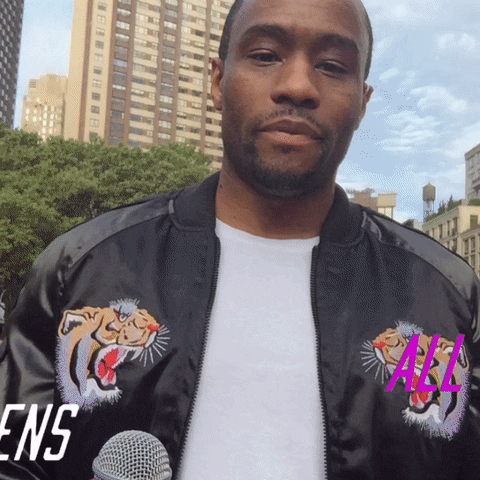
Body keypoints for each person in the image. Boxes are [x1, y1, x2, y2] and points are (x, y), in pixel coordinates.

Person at [0, 0, 479, 478]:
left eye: (333, 66)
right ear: (217, 81)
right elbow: (17, 460)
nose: (297, 86)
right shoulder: (82, 270)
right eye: (265, 55)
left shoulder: (444, 299)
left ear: (363, 103)